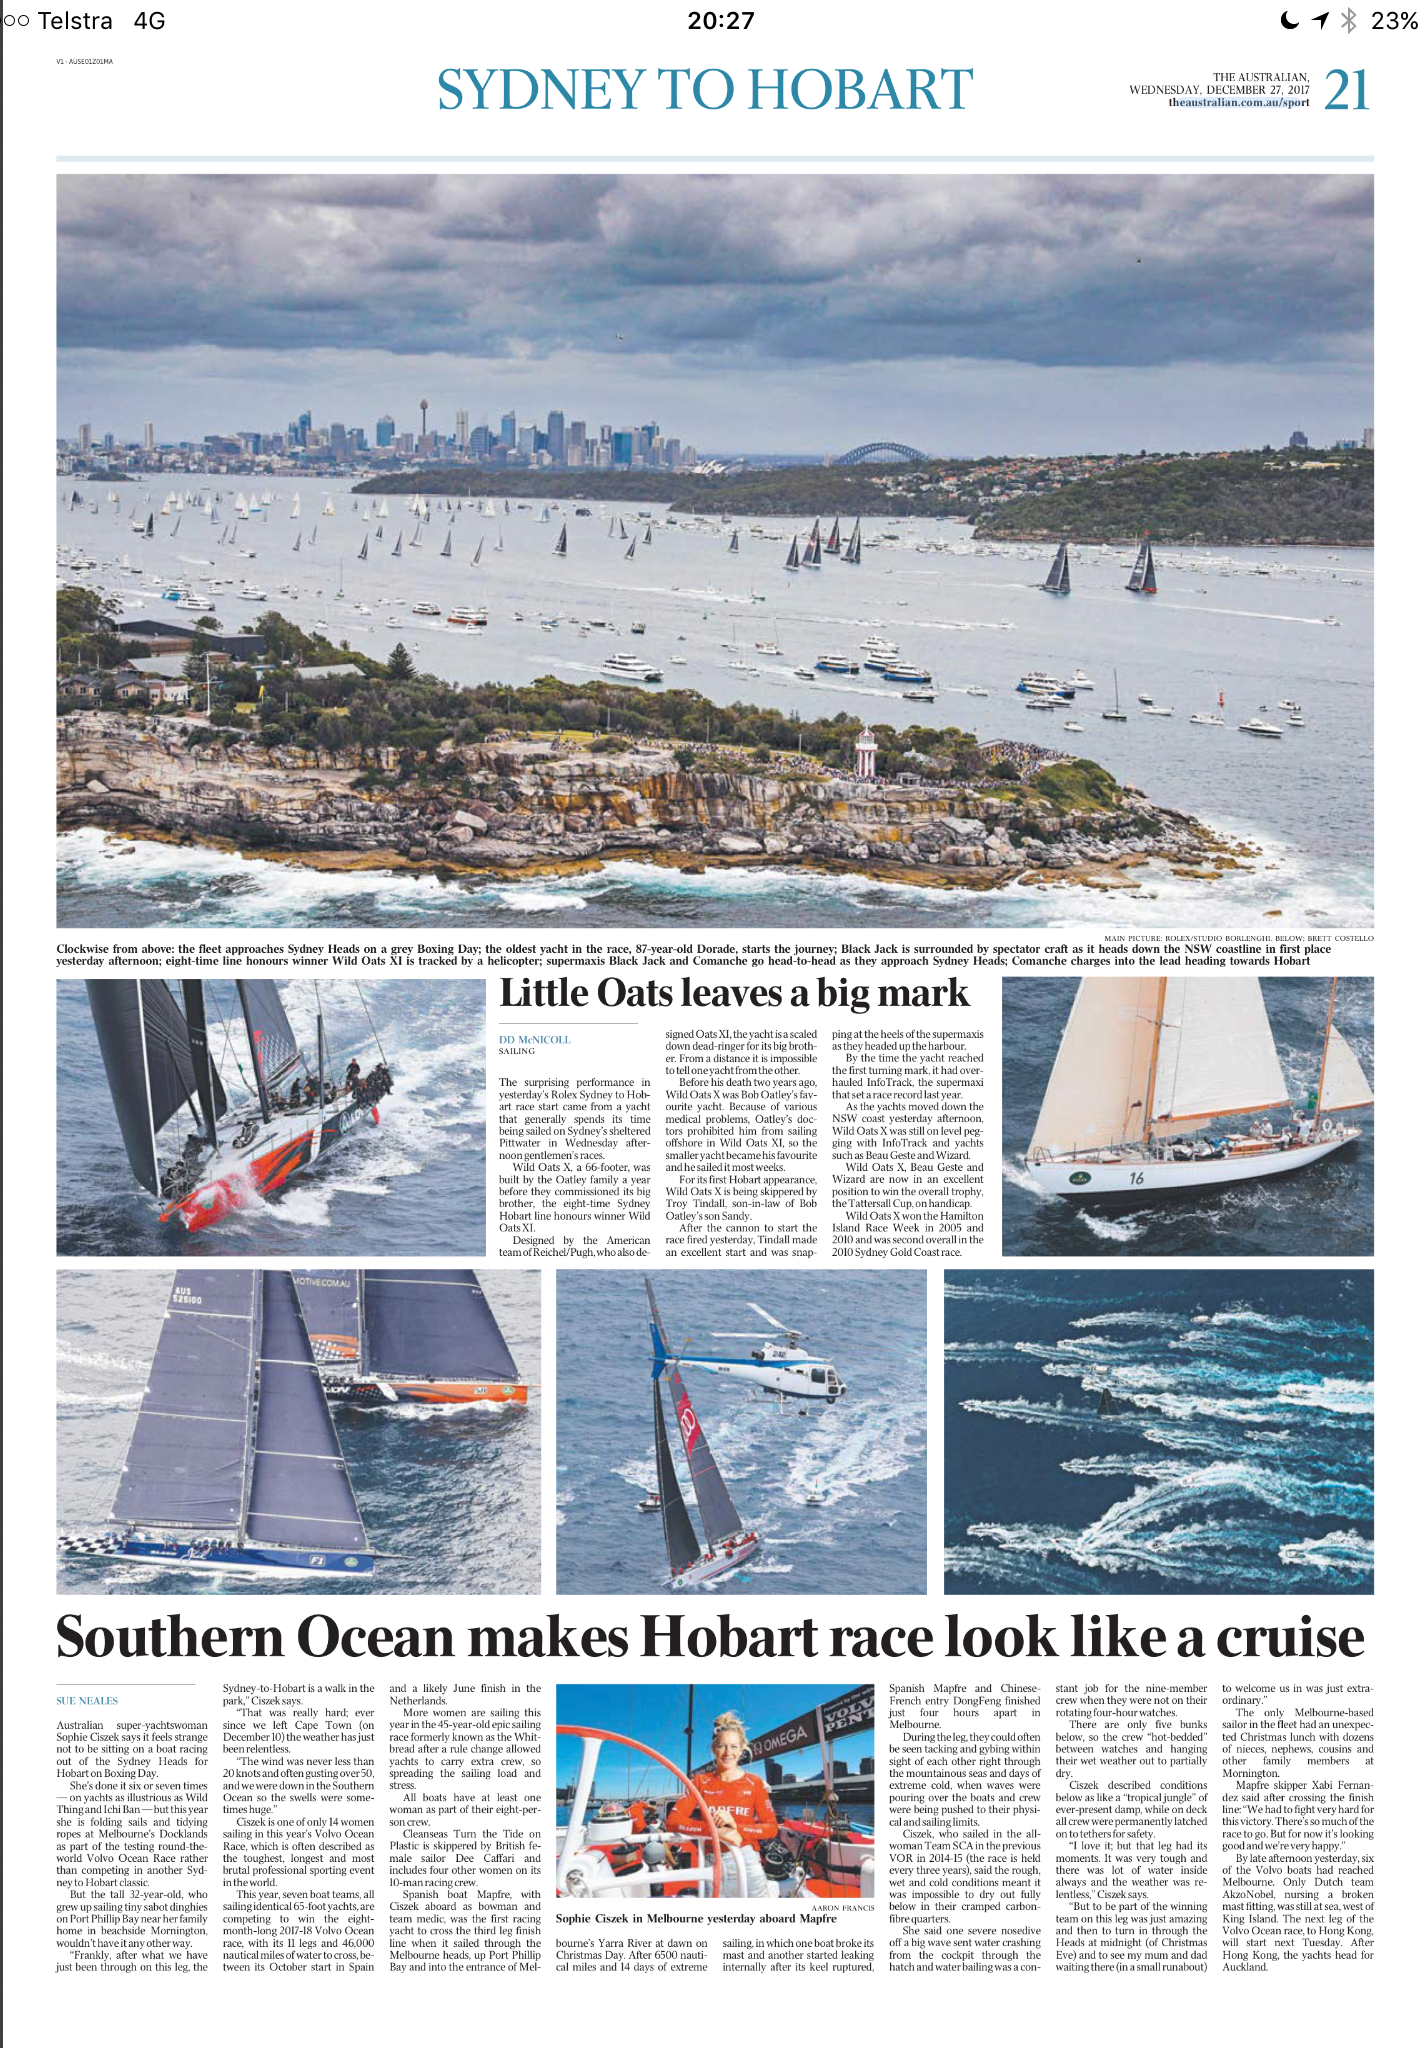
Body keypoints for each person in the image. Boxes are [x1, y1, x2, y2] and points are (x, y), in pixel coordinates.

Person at [666, 1710, 779, 1862]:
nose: (728, 1753)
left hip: (746, 1858)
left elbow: (771, 1828)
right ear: (714, 1749)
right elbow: (673, 1821)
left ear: (741, 1749)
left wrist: (736, 1827)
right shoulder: (700, 1781)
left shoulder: (754, 1782)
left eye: (734, 1746)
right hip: (712, 1859)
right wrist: (714, 1831)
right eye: (722, 1746)